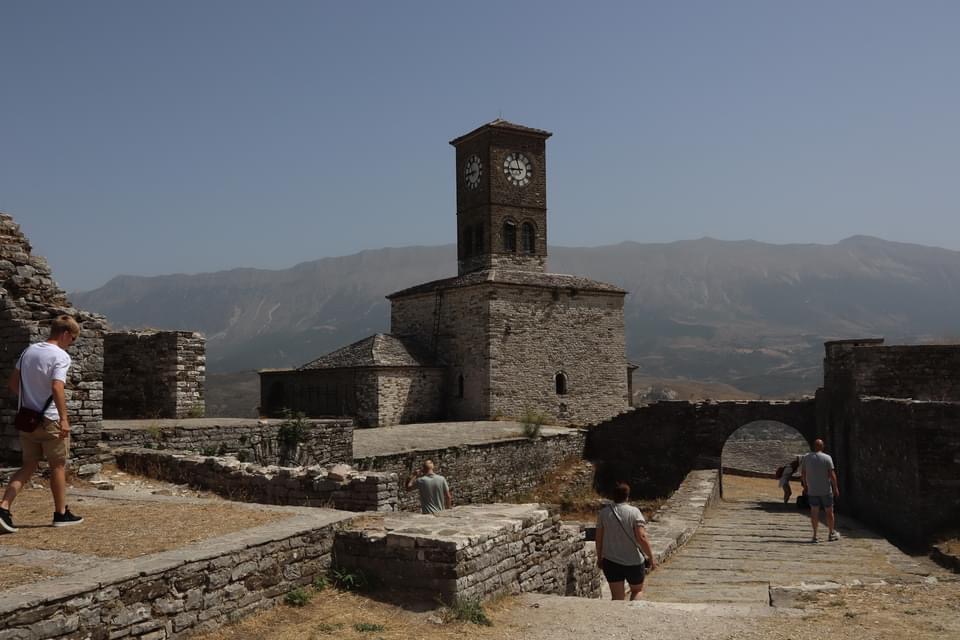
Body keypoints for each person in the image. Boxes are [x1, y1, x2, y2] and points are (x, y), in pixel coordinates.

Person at [0, 315, 84, 533]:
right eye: (73, 339)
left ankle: (3, 507)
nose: (72, 344)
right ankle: (60, 513)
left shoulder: (29, 351)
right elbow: (57, 387)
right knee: (57, 465)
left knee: (28, 465)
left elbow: (13, 383)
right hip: (50, 419)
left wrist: (31, 402)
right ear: (65, 334)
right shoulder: (60, 356)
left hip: (27, 419)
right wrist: (64, 419)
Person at [595, 481, 657, 600]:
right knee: (637, 590)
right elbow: (642, 537)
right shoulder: (634, 512)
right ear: (627, 496)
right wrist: (651, 558)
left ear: (613, 496)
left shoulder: (603, 513)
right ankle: (632, 616)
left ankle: (618, 618)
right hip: (633, 561)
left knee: (617, 597)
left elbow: (599, 539)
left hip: (611, 561)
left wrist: (599, 558)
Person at [800, 439, 840, 543]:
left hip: (813, 490)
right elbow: (832, 475)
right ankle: (831, 533)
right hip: (826, 490)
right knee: (829, 512)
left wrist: (805, 486)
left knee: (814, 512)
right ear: (822, 447)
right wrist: (835, 488)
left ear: (814, 446)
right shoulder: (827, 458)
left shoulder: (806, 458)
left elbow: (803, 474)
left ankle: (815, 535)